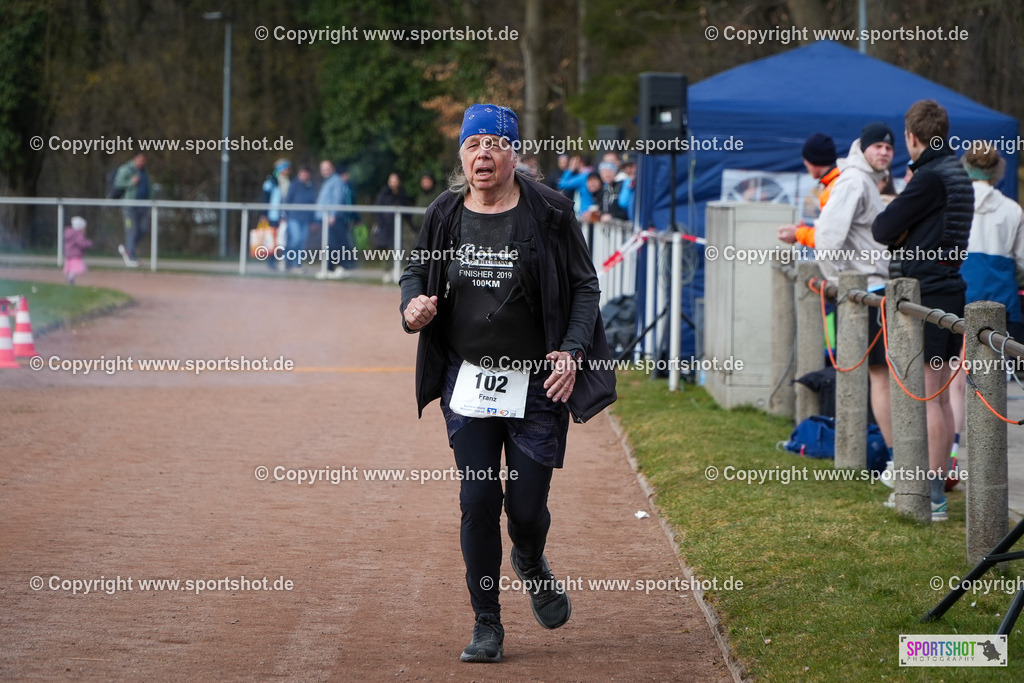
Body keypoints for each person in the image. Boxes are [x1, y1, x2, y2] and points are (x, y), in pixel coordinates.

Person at [400, 103, 615, 663]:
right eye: (473, 145)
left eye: (495, 143)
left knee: (523, 507)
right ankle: (487, 624)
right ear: (462, 155)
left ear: (514, 154)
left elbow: (585, 287)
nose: (483, 154)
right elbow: (415, 272)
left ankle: (530, 556)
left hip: (538, 385)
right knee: (477, 499)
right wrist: (412, 306)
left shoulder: (549, 212)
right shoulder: (444, 213)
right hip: (467, 379)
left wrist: (570, 352)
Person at [872, 100, 974, 522]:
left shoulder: (930, 176)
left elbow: (882, 229)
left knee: (930, 395)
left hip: (929, 291)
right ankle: (935, 490)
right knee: (943, 397)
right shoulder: (958, 172)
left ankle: (930, 495)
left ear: (912, 138)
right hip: (951, 286)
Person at [779, 123, 896, 461]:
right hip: (866, 287)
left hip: (866, 289)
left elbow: (829, 240)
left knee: (879, 378)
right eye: (878, 146)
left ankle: (887, 458)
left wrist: (833, 278)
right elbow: (834, 236)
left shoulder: (853, 181)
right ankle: (883, 456)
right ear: (864, 149)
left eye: (889, 148)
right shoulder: (856, 180)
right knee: (875, 376)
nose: (885, 152)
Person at [949, 142, 1024, 467]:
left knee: (955, 378)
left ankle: (951, 457)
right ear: (997, 171)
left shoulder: (953, 204)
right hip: (1001, 301)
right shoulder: (1013, 210)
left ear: (965, 167)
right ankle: (988, 462)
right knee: (995, 380)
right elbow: (1021, 260)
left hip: (961, 296)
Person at [781, 133, 840, 246]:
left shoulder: (834, 188)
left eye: (805, 160)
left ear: (813, 161)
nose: (805, 164)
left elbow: (828, 238)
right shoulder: (835, 182)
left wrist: (798, 233)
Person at [314, 160, 354, 279]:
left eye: (327, 168)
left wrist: (333, 214)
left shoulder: (336, 180)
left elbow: (338, 198)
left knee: (336, 243)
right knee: (329, 244)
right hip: (325, 218)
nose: (325, 171)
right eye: (323, 169)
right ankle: (329, 268)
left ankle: (342, 267)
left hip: (333, 218)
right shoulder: (328, 181)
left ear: (332, 168)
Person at [114, 153, 150, 267]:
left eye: (144, 160)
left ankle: (128, 248)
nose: (142, 162)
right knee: (132, 230)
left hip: (143, 206)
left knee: (144, 228)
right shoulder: (126, 169)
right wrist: (131, 182)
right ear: (135, 159)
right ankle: (131, 256)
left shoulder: (145, 172)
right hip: (129, 207)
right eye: (140, 160)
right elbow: (118, 183)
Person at [374, 172, 411, 283]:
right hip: (385, 227)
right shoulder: (383, 194)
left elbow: (406, 211)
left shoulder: (402, 194)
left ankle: (397, 270)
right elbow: (378, 210)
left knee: (397, 249)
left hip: (397, 227)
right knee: (385, 250)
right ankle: (386, 271)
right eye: (391, 180)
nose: (393, 183)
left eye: (395, 180)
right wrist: (381, 222)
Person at [282, 165, 317, 271]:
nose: (305, 176)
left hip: (305, 219)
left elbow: (312, 204)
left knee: (302, 242)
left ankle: (297, 264)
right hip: (294, 217)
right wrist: (284, 215)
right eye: (303, 173)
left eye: (307, 174)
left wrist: (313, 220)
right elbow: (288, 200)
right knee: (295, 239)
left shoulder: (310, 187)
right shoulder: (294, 185)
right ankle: (286, 259)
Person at [262, 159, 291, 270]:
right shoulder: (271, 182)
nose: (288, 171)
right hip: (273, 215)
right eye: (286, 168)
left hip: (284, 216)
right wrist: (264, 214)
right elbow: (265, 198)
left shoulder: (288, 182)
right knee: (272, 239)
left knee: (282, 239)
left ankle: (283, 261)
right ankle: (271, 261)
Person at [62, 216, 92, 285]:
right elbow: (82, 243)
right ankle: (70, 277)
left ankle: (70, 276)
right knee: (75, 267)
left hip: (69, 254)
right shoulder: (78, 235)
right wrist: (89, 244)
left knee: (72, 267)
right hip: (75, 254)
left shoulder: (69, 234)